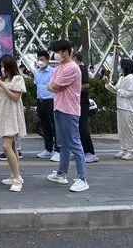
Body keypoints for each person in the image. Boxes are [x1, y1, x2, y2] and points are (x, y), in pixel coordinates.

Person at [45, 40, 89, 193]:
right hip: (59, 108)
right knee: (62, 144)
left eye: (59, 51)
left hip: (69, 110)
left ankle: (82, 178)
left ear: (66, 52)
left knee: (74, 144)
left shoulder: (72, 68)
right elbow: (51, 86)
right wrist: (53, 86)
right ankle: (61, 173)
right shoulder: (59, 67)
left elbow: (54, 86)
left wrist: (53, 86)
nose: (57, 54)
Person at [0, 54, 26, 192]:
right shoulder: (3, 79)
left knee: (6, 146)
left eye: (4, 66)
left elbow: (15, 97)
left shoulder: (17, 79)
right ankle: (15, 175)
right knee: (11, 145)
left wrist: (2, 85)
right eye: (1, 66)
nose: (2, 69)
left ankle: (17, 179)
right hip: (4, 114)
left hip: (11, 115)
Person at [103, 59, 133, 160]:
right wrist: (108, 84)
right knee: (122, 130)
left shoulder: (131, 79)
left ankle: (132, 151)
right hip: (121, 107)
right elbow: (116, 89)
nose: (119, 67)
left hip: (128, 108)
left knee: (129, 130)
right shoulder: (122, 77)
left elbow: (131, 93)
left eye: (120, 65)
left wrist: (119, 91)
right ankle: (124, 149)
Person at [72, 51, 98, 163]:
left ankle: (90, 152)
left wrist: (74, 88)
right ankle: (81, 151)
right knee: (78, 128)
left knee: (83, 127)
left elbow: (86, 84)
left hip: (82, 102)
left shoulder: (82, 69)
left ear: (74, 57)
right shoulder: (75, 69)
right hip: (76, 102)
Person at [32, 50, 58, 160]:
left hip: (50, 101)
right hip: (40, 101)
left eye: (42, 60)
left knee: (54, 126)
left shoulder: (53, 71)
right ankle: (48, 149)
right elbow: (37, 85)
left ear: (47, 60)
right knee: (44, 126)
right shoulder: (37, 72)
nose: (40, 62)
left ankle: (58, 150)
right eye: (38, 59)